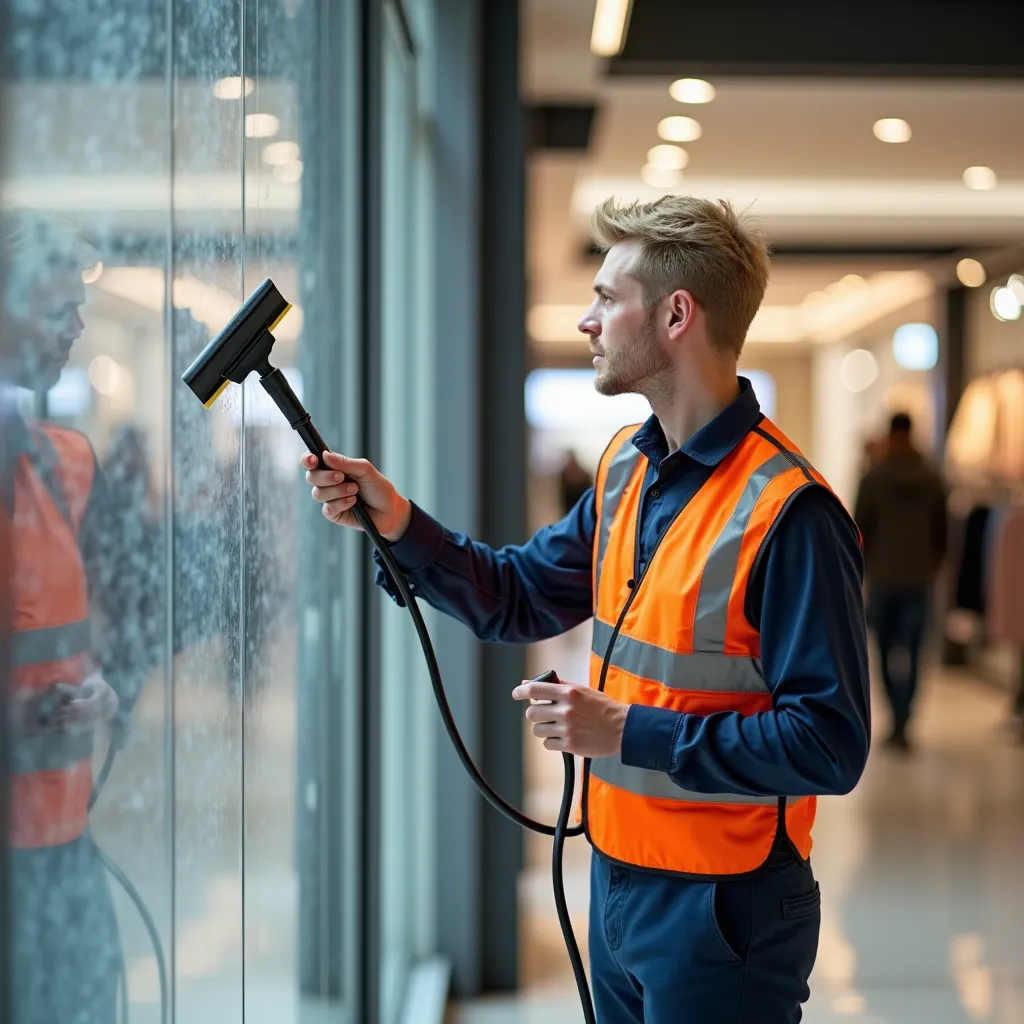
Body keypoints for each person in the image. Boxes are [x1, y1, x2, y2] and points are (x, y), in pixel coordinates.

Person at [303, 195, 870, 1023]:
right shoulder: (624, 472)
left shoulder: (790, 512)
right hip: (614, 878)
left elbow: (829, 744)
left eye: (608, 298)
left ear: (677, 314)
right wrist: (401, 526)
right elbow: (518, 596)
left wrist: (627, 732)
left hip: (725, 909)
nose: (586, 320)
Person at [1, 209, 124, 1023]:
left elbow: (65, 630)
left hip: (61, 836)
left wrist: (95, 686)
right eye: (55, 313)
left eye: (78, 307)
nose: (78, 329)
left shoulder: (60, 461)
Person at [854, 411, 947, 753]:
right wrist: (932, 564)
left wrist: (863, 570)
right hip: (918, 577)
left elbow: (859, 528)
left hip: (883, 578)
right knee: (913, 650)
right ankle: (904, 718)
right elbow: (942, 530)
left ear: (891, 434)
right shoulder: (932, 476)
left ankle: (894, 717)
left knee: (884, 649)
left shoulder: (874, 477)